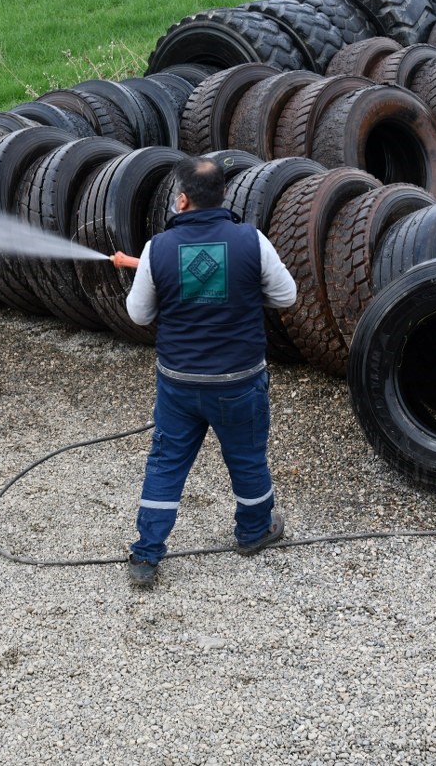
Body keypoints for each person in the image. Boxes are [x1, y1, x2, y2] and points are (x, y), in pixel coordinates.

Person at [123, 155, 298, 588]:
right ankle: (254, 531)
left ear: (181, 200)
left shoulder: (156, 248)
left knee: (165, 465)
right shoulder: (252, 241)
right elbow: (287, 296)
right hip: (239, 383)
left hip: (178, 385)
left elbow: (139, 314)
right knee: (247, 458)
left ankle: (146, 555)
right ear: (224, 196)